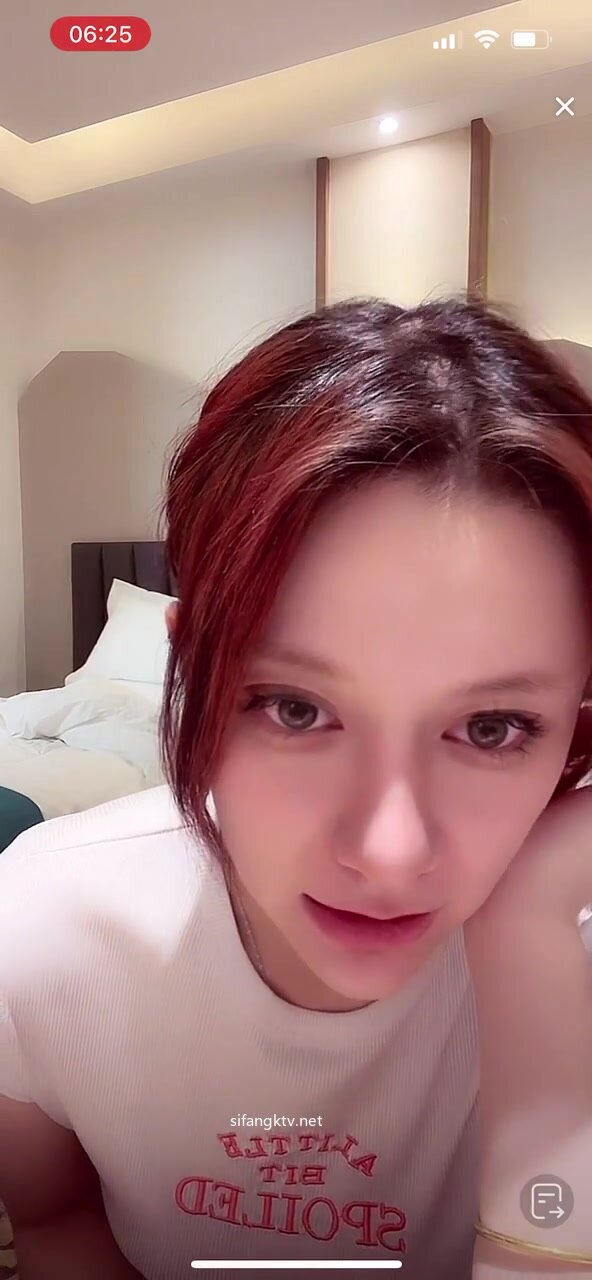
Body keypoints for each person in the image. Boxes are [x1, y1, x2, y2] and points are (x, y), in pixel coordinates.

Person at [1, 296, 591, 1280]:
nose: (389, 852)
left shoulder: (573, 953)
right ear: (193, 666)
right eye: (294, 707)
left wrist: (532, 948)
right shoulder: (39, 929)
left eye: (492, 727)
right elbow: (58, 1222)